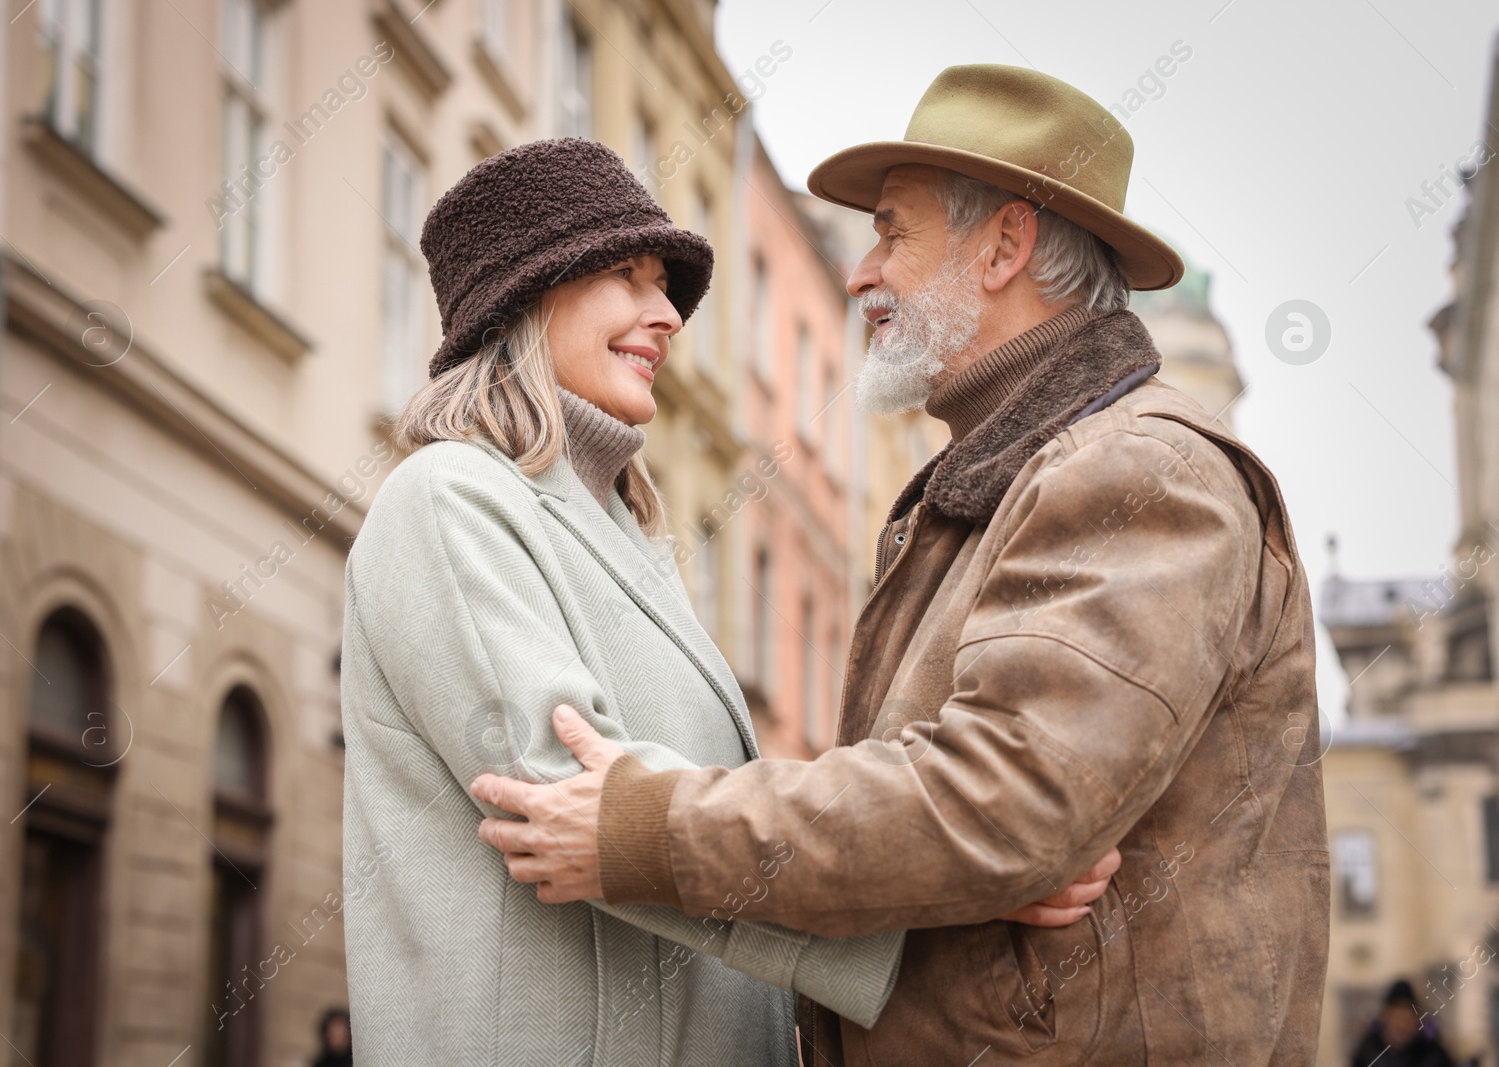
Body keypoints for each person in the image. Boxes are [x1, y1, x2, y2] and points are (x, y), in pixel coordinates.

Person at [473, 66, 1331, 1065]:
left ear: (1005, 245)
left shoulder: (1136, 465)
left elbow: (1001, 799)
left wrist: (646, 828)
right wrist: (980, 856)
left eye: (892, 232)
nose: (859, 272)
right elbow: (996, 818)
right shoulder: (1014, 473)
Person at [340, 138, 1113, 1066]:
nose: (666, 313)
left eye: (663, 283)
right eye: (627, 275)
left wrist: (942, 862)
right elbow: (570, 801)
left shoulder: (619, 529)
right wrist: (942, 895)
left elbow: (674, 811)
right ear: (523, 298)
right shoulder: (447, 500)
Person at [1351, 980, 1457, 1067]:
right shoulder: (1367, 1051)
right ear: (1385, 1016)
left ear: (1416, 1019)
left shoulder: (1433, 1054)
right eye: (1397, 1017)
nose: (1402, 1025)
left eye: (1407, 1018)